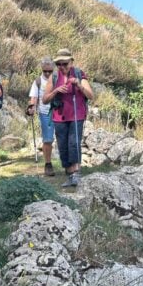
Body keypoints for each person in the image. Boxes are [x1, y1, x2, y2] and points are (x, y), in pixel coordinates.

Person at [42, 48, 94, 188]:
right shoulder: (53, 77)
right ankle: (70, 173)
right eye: (59, 64)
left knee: (74, 143)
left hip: (77, 115)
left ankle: (75, 174)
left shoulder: (79, 74)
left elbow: (90, 95)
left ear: (71, 62)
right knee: (63, 146)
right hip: (59, 117)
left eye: (65, 63)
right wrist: (55, 91)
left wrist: (78, 85)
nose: (62, 67)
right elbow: (45, 100)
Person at [28, 57, 57, 177]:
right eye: (45, 71)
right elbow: (34, 98)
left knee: (63, 139)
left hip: (60, 112)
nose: (47, 73)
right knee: (48, 139)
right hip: (45, 113)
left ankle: (68, 165)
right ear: (42, 69)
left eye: (50, 71)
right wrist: (31, 107)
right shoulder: (38, 81)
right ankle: (48, 164)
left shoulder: (58, 79)